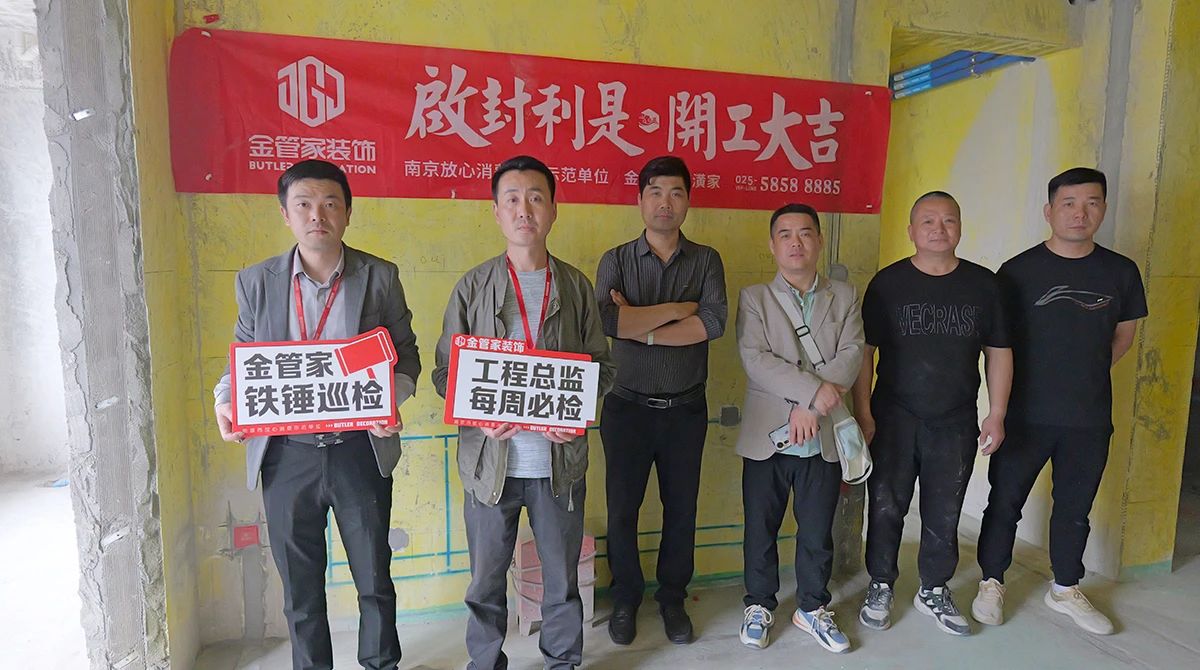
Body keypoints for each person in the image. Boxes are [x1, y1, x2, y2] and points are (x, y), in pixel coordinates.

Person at [213, 159, 420, 670]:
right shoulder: (256, 282)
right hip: (286, 456)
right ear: (285, 214)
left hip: (358, 450)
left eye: (330, 204)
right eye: (303, 204)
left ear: (348, 211)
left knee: (374, 577)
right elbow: (242, 357)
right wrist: (225, 399)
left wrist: (389, 399)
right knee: (300, 588)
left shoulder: (379, 276)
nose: (317, 215)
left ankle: (381, 664)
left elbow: (406, 355)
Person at [432, 155, 615, 670]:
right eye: (511, 199)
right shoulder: (472, 287)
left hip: (559, 466)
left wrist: (574, 413)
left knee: (561, 579)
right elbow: (446, 373)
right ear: (496, 212)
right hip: (490, 465)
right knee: (486, 581)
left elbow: (603, 368)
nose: (524, 210)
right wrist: (479, 416)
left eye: (536, 198)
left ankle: (562, 661)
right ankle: (485, 662)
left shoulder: (575, 287)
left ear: (553, 209)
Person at [972, 167, 1147, 635]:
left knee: (1075, 507)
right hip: (1024, 413)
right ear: (1049, 211)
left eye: (1091, 203)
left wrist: (1084, 373)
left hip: (1089, 416)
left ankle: (1065, 588)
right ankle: (991, 581)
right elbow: (997, 345)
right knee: (1004, 502)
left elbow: (1123, 335)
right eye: (1069, 203)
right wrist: (998, 409)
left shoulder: (1121, 271)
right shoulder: (1016, 272)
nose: (1080, 213)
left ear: (1103, 210)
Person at [852, 191, 1012, 637]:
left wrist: (996, 413)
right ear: (911, 231)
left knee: (945, 507)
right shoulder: (888, 284)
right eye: (928, 220)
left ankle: (934, 588)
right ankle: (881, 583)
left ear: (960, 228)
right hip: (894, 415)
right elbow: (864, 352)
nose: (938, 229)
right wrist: (863, 411)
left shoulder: (984, 285)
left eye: (948, 220)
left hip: (955, 418)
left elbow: (999, 351)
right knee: (886, 504)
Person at [594, 155, 728, 645]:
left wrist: (643, 325)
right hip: (626, 408)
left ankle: (673, 598)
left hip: (685, 410)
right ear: (640, 200)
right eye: (655, 192)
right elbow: (608, 322)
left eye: (675, 192)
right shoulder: (616, 259)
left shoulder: (706, 260)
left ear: (688, 201)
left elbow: (711, 324)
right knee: (622, 509)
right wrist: (677, 310)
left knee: (681, 509)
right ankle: (626, 597)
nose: (664, 202)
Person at [734, 204, 864, 652]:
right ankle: (759, 604)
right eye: (785, 234)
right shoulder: (755, 298)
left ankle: (812, 607)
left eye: (805, 233)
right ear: (772, 245)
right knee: (760, 529)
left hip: (822, 438)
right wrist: (809, 398)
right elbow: (756, 359)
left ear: (819, 241)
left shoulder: (844, 296)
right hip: (767, 436)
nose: (796, 242)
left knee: (816, 531)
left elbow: (852, 353)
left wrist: (812, 407)